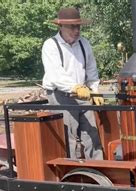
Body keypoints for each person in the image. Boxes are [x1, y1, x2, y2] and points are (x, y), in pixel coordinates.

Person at [41, 7, 104, 160]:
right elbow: (55, 75)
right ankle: (70, 174)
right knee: (67, 137)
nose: (76, 30)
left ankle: (99, 170)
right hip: (60, 94)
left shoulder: (84, 43)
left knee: (92, 134)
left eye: (78, 26)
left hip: (83, 94)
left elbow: (91, 70)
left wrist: (94, 90)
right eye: (72, 27)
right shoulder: (51, 45)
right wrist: (75, 87)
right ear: (61, 26)